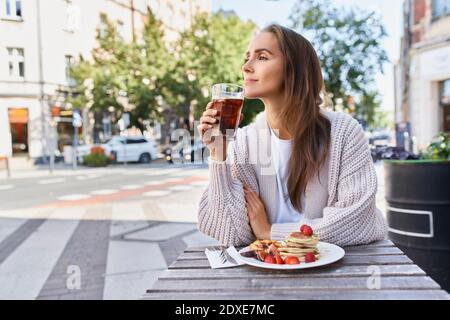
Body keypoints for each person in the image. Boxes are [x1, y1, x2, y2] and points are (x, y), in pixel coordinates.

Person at [196, 24, 388, 247]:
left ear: (294, 69)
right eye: (247, 57)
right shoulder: (245, 142)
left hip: (340, 270)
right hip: (269, 270)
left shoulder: (343, 132)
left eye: (262, 57)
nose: (246, 67)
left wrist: (270, 232)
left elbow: (355, 222)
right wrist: (218, 153)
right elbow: (231, 232)